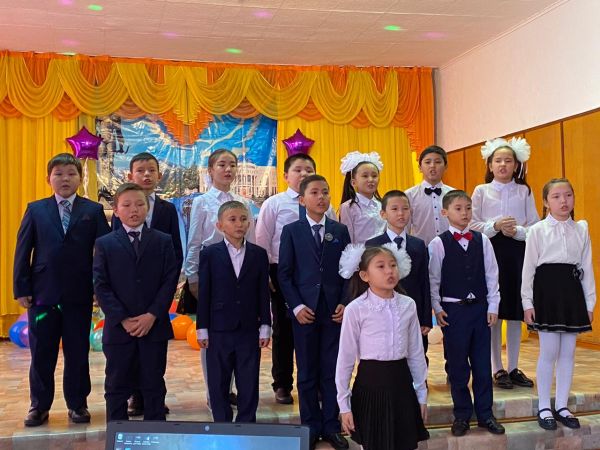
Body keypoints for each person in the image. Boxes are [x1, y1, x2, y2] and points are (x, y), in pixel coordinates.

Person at [13, 153, 110, 427]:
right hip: (42, 295)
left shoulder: (93, 210)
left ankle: (78, 404)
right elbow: (23, 251)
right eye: (58, 174)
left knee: (77, 352)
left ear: (80, 178)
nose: (65, 179)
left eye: (71, 173)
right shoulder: (36, 210)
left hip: (79, 295)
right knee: (41, 353)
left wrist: (100, 287)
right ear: (48, 179)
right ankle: (39, 406)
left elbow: (104, 252)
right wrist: (21, 287)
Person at [93, 183, 179, 422]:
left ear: (147, 208)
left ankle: (155, 433)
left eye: (140, 204)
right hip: (119, 329)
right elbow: (101, 285)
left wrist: (152, 315)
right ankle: (117, 433)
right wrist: (122, 318)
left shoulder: (163, 241)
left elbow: (169, 281)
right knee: (116, 385)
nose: (134, 210)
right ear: (116, 210)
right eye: (127, 205)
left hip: (154, 326)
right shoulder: (105, 243)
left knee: (154, 384)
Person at [278, 174, 352, 450]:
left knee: (332, 370)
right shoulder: (291, 231)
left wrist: (345, 302)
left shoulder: (339, 230)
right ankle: (309, 427)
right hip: (304, 312)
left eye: (325, 192)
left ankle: (332, 426)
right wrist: (296, 306)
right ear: (302, 199)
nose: (321, 197)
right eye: (314, 193)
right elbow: (284, 274)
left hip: (333, 312)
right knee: (307, 371)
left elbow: (348, 271)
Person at [255, 154, 336, 405]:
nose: (303, 174)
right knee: (284, 329)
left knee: (316, 327)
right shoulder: (274, 204)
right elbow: (262, 240)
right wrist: (265, 274)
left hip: (316, 275)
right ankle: (282, 383)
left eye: (308, 170)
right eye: (298, 170)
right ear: (285, 176)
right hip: (283, 274)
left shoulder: (325, 205)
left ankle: (317, 383)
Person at [336, 244, 429, 450]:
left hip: (402, 386)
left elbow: (416, 353)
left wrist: (422, 395)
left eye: (393, 265)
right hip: (370, 387)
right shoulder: (355, 309)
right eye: (381, 266)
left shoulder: (408, 305)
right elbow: (345, 359)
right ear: (364, 275)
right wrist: (344, 405)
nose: (389, 271)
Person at [428, 190, 505, 437]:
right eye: (458, 208)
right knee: (458, 366)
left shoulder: (483, 240)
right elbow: (433, 280)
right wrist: (438, 308)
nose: (465, 213)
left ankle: (485, 414)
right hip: (454, 311)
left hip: (480, 310)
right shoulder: (438, 244)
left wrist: (493, 306)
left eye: (468, 208)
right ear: (445, 212)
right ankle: (462, 414)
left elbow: (492, 275)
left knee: (482, 365)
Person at [112, 151, 183, 416]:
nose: (146, 175)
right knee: (129, 355)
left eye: (151, 170)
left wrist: (166, 291)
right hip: (127, 294)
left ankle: (154, 399)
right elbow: (115, 250)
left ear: (159, 175)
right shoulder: (121, 209)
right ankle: (135, 397)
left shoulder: (167, 209)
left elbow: (176, 250)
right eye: (140, 170)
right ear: (130, 175)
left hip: (156, 292)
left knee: (154, 356)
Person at [522, 178, 595, 431]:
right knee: (549, 351)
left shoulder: (581, 229)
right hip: (547, 292)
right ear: (545, 202)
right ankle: (544, 406)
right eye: (556, 196)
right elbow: (528, 269)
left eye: (568, 195)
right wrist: (527, 302)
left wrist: (590, 302)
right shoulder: (537, 231)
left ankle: (562, 405)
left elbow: (587, 267)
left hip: (571, 292)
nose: (563, 201)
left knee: (568, 352)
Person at [184, 149, 253, 407]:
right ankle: (214, 391)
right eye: (222, 165)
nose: (228, 169)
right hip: (212, 269)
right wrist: (192, 275)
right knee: (212, 333)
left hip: (240, 269)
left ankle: (230, 387)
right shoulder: (202, 202)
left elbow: (251, 239)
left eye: (232, 165)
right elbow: (194, 240)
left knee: (236, 329)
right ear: (211, 170)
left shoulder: (242, 201)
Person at [471, 137, 539, 390]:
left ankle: (513, 367)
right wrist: (495, 226)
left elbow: (535, 225)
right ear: (490, 165)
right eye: (497, 160)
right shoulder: (481, 190)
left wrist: (518, 231)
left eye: (507, 160)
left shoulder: (524, 191)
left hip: (517, 252)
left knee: (514, 312)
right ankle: (496, 368)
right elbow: (471, 223)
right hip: (490, 251)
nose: (502, 165)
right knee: (495, 311)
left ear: (516, 165)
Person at [197, 201, 271, 422]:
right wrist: (202, 328)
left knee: (248, 379)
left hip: (248, 328)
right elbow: (205, 293)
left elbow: (262, 292)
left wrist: (265, 325)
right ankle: (222, 424)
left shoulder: (258, 254)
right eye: (232, 219)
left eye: (243, 219)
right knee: (218, 380)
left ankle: (246, 423)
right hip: (219, 328)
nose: (239, 224)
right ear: (220, 225)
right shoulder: (210, 254)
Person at [365, 190, 432, 361]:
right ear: (383, 214)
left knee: (417, 354)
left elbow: (424, 282)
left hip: (413, 310)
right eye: (394, 209)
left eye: (405, 209)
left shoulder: (418, 244)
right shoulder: (373, 244)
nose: (401, 213)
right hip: (383, 311)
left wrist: (425, 318)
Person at [405, 145, 456, 245]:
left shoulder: (454, 194)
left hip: (450, 247)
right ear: (420, 167)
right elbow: (405, 227)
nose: (432, 166)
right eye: (428, 162)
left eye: (438, 162)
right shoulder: (409, 195)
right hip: (421, 249)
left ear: (445, 166)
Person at [338, 151, 386, 243]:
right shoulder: (348, 207)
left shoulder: (383, 204)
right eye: (365, 176)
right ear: (353, 182)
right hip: (361, 251)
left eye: (374, 176)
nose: (370, 179)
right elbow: (348, 238)